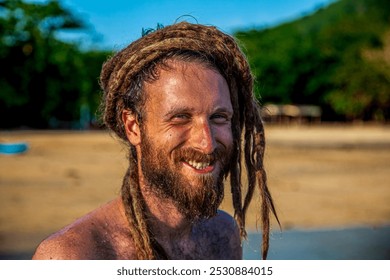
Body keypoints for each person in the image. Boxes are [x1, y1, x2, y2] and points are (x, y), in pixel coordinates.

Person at [32, 21, 278, 260]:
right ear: (133, 126)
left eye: (219, 117)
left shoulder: (223, 235)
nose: (207, 143)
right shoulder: (72, 257)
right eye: (180, 117)